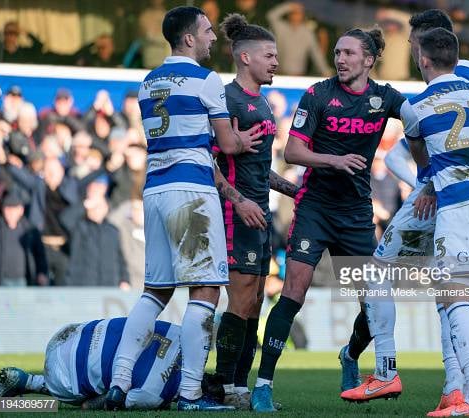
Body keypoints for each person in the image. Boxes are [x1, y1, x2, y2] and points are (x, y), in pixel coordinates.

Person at [340, 9, 469, 407]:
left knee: (396, 277)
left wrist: (428, 183)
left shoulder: (420, 103)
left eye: (415, 46)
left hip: (449, 203)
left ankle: (393, 374)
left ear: (423, 53)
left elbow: (412, 160)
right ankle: (468, 388)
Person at [105, 6, 263, 412]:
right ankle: (191, 393)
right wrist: (244, 141)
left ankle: (119, 382)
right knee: (206, 288)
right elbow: (226, 145)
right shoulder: (206, 80)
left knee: (155, 291)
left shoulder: (147, 82)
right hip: (191, 192)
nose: (213, 38)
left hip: (155, 189)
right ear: (189, 38)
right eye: (208, 31)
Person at [250, 26, 408, 412]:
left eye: (349, 53)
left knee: (375, 305)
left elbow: (418, 121)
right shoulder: (319, 95)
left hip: (355, 214)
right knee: (293, 295)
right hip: (315, 208)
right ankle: (263, 385)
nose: (340, 59)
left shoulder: (384, 98)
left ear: (369, 60)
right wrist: (333, 161)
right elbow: (293, 152)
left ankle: (350, 356)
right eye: (337, 52)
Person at [401, 28, 469, 417]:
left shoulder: (415, 106)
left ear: (424, 60)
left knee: (454, 295)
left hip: (461, 206)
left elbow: (422, 163)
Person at [205, 14, 298, 410]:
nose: (276, 62)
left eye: (276, 55)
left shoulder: (261, 103)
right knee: (240, 301)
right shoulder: (225, 99)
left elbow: (260, 169)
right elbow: (207, 160)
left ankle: (238, 384)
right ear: (244, 57)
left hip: (259, 213)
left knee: (257, 301)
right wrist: (237, 200)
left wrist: (295, 189)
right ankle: (225, 386)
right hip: (234, 213)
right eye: (269, 55)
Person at [0, 318, 182, 410]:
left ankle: (23, 380)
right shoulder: (153, 395)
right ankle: (25, 392)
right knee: (99, 391)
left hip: (71, 333)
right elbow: (92, 405)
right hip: (62, 375)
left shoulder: (182, 332)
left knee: (107, 370)